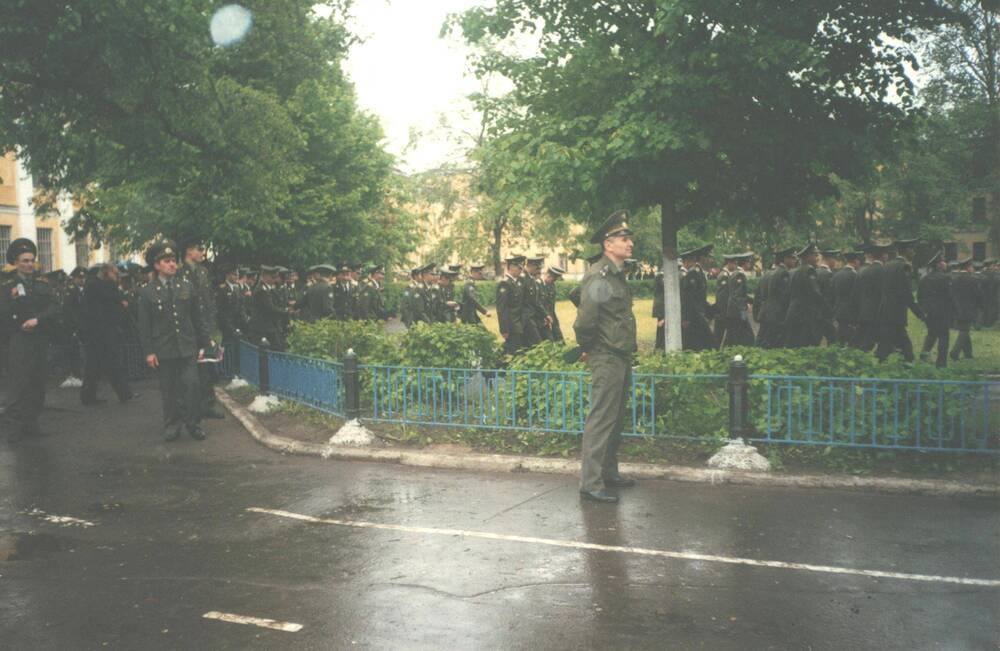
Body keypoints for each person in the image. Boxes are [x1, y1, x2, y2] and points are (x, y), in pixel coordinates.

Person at [574, 211, 638, 503]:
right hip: (606, 355)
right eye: (624, 239)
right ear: (607, 244)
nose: (630, 244)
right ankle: (590, 483)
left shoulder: (616, 275)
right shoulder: (599, 276)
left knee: (616, 417)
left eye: (629, 239)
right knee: (601, 418)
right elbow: (585, 321)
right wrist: (588, 347)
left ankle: (609, 472)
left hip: (621, 355)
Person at [136, 240, 210, 442]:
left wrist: (204, 344)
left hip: (187, 347)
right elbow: (144, 327)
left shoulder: (186, 287)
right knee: (169, 390)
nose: (172, 265)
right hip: (164, 349)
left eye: (174, 261)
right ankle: (172, 424)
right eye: (167, 261)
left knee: (192, 386)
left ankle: (194, 424)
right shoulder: (147, 292)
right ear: (157, 265)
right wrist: (149, 352)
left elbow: (197, 318)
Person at [0, 238, 58, 439]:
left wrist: (37, 320)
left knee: (38, 381)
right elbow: (3, 311)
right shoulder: (7, 285)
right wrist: (19, 323)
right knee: (19, 382)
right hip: (19, 338)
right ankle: (14, 426)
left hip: (39, 337)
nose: (29, 264)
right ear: (15, 262)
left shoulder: (42, 284)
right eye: (24, 261)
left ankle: (31, 423)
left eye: (31, 260)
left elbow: (53, 307)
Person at [80, 263, 137, 405]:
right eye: (115, 274)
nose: (117, 277)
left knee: (94, 365)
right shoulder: (96, 286)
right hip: (100, 331)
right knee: (110, 362)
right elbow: (115, 300)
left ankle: (88, 396)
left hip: (100, 330)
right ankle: (124, 394)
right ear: (106, 273)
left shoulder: (97, 285)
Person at [875, 239, 925, 362]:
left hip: (885, 311)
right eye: (912, 250)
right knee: (905, 347)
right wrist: (920, 314)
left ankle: (881, 370)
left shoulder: (887, 265)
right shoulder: (905, 267)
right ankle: (907, 369)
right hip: (896, 314)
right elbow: (906, 294)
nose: (914, 253)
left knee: (886, 346)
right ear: (907, 251)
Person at [784, 243, 831, 348]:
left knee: (794, 346)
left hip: (794, 313)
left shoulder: (795, 271)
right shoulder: (808, 271)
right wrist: (828, 310)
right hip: (804, 317)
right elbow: (815, 294)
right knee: (805, 346)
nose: (817, 258)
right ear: (808, 257)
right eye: (814, 255)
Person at [918, 251, 953, 368]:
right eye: (942, 261)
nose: (945, 263)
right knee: (944, 337)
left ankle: (923, 356)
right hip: (943, 312)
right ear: (938, 264)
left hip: (929, 313)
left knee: (931, 334)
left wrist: (924, 311)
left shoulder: (924, 279)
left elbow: (919, 297)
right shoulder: (945, 278)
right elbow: (950, 297)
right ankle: (941, 363)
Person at [757, 248, 796, 348]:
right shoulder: (783, 273)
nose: (795, 261)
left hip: (766, 314)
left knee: (764, 343)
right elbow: (785, 296)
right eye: (792, 258)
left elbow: (759, 296)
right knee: (776, 345)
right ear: (785, 259)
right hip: (778, 316)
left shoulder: (768, 273)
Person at [679, 245, 714, 351]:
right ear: (701, 258)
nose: (711, 260)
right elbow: (688, 298)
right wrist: (686, 318)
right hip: (694, 317)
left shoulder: (700, 273)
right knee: (702, 345)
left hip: (698, 315)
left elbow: (700, 298)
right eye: (708, 257)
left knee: (699, 346)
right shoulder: (694, 273)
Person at [857, 242, 889, 352]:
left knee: (870, 340)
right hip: (878, 313)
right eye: (886, 254)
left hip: (865, 311)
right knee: (868, 343)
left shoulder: (865, 270)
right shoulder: (884, 271)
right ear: (883, 255)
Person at [249, 265, 290, 351]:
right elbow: (270, 308)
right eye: (273, 277)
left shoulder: (269, 288)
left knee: (278, 348)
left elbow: (278, 301)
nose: (275, 280)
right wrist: (286, 312)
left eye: (275, 277)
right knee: (270, 351)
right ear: (265, 276)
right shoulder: (261, 290)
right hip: (263, 327)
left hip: (270, 325)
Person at [950, 258, 981, 362]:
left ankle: (968, 354)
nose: (972, 269)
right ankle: (955, 352)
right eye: (972, 267)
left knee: (964, 329)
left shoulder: (954, 279)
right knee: (964, 331)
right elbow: (977, 295)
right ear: (968, 267)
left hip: (956, 308)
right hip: (968, 308)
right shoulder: (972, 279)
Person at [723, 253, 755, 347]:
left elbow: (741, 294)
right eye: (749, 262)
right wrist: (743, 313)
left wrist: (753, 301)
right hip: (737, 312)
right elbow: (737, 296)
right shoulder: (739, 275)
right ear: (745, 263)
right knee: (748, 336)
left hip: (733, 311)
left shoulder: (736, 273)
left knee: (734, 337)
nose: (750, 264)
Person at [496, 255, 526, 356]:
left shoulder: (516, 282)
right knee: (515, 353)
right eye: (519, 267)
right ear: (511, 267)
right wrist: (504, 329)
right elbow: (502, 309)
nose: (521, 270)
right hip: (512, 325)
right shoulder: (505, 284)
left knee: (514, 351)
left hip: (519, 324)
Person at [832, 251, 863, 345]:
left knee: (841, 337)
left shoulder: (837, 275)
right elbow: (857, 296)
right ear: (856, 261)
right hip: (851, 312)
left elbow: (833, 294)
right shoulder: (855, 275)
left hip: (839, 310)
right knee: (853, 339)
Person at [815, 249, 840, 345]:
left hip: (816, 313)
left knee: (816, 339)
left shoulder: (816, 271)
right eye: (835, 259)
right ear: (830, 259)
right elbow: (829, 296)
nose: (836, 262)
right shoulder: (827, 274)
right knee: (833, 339)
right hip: (825, 313)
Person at [520, 255, 545, 347]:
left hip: (532, 317)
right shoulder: (522, 279)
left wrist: (545, 315)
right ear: (530, 266)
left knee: (526, 345)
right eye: (536, 268)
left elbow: (536, 301)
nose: (538, 271)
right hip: (525, 318)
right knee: (537, 344)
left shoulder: (531, 279)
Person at [540, 266, 564, 341]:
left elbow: (551, 304)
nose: (553, 281)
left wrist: (552, 317)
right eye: (553, 279)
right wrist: (546, 316)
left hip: (551, 316)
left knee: (559, 338)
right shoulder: (539, 285)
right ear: (547, 275)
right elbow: (539, 304)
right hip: (543, 318)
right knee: (549, 341)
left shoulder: (552, 286)